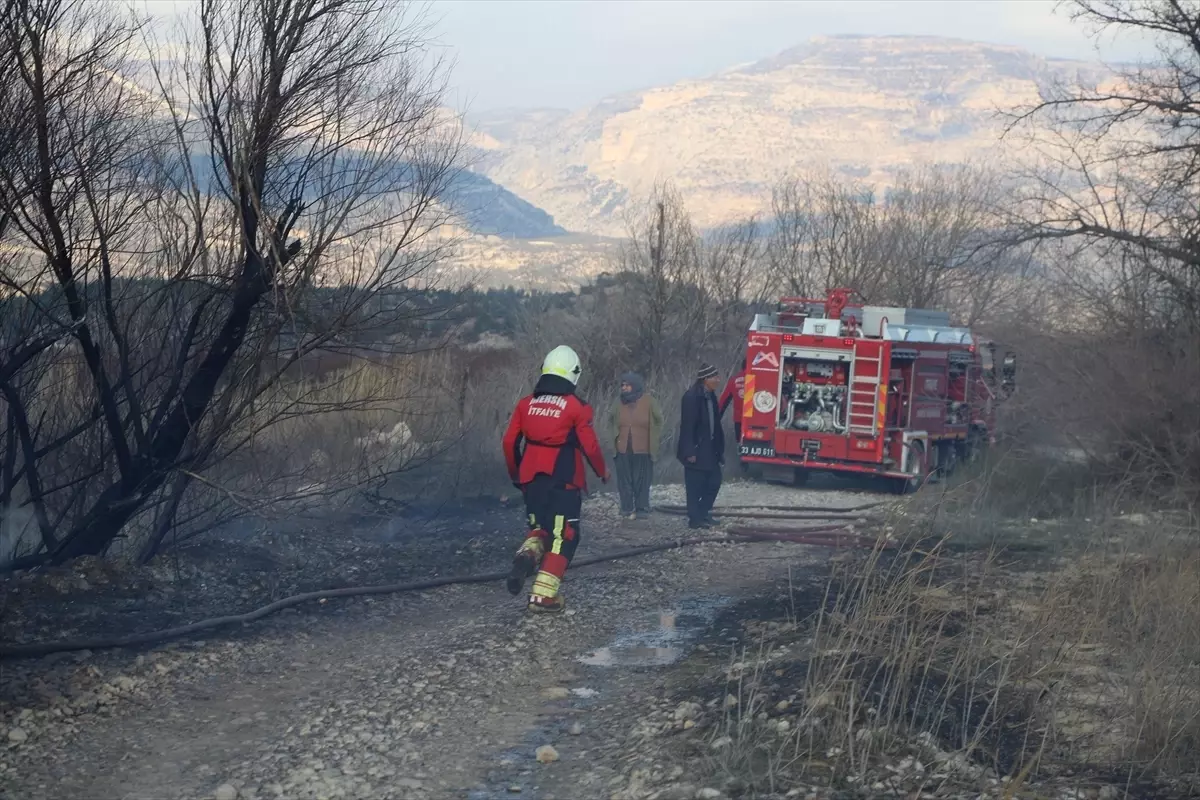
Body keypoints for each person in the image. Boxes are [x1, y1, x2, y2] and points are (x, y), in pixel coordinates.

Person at [502, 345, 609, 613]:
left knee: (539, 529)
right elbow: (590, 446)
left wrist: (517, 473)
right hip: (563, 481)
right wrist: (601, 471)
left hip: (531, 480)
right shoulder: (577, 407)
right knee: (564, 536)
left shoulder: (525, 404)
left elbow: (509, 442)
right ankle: (543, 596)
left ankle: (526, 557)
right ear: (573, 374)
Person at [609, 372, 662, 520]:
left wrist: (653, 439)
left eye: (627, 385)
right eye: (623, 385)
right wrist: (613, 438)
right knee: (624, 479)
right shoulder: (618, 402)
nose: (624, 388)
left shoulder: (649, 401)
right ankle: (626, 507)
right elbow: (611, 420)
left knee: (642, 478)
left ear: (635, 385)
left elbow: (658, 420)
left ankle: (642, 507)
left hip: (643, 448)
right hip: (622, 447)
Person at [677, 363, 725, 529]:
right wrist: (689, 450)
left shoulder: (711, 396)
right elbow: (687, 426)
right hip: (696, 449)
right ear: (705, 379)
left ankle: (703, 512)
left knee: (714, 481)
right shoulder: (691, 397)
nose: (718, 380)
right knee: (695, 485)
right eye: (715, 377)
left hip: (710, 448)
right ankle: (695, 519)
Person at [718, 357, 747, 444]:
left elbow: (723, 401)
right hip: (757, 423)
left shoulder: (733, 381)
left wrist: (716, 419)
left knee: (741, 446)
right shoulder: (761, 380)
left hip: (739, 420)